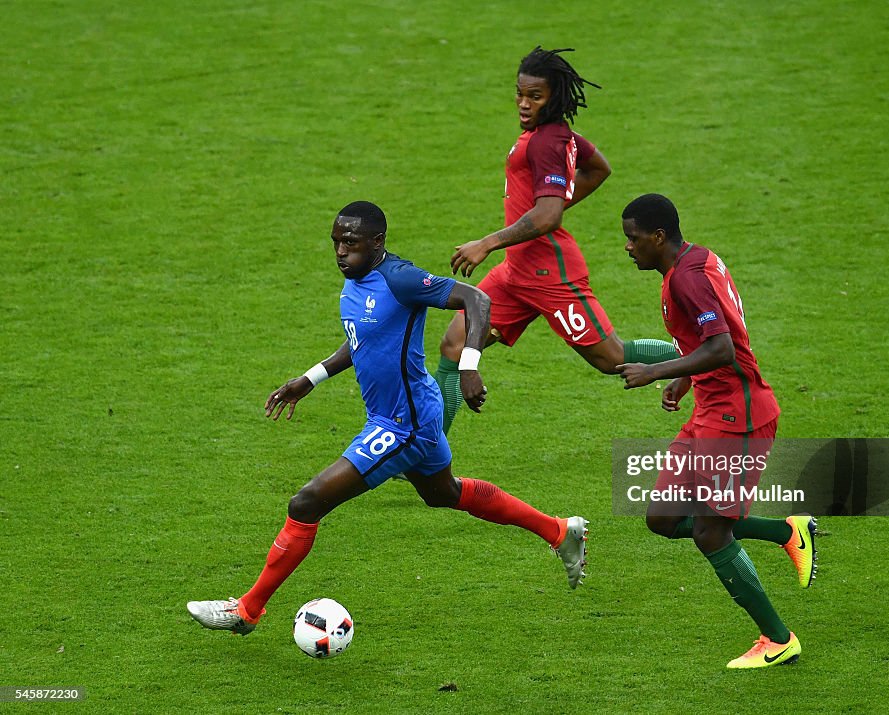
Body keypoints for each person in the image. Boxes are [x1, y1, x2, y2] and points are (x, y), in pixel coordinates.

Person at [187, 201, 589, 636]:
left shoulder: (400, 279)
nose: (341, 252)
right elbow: (363, 339)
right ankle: (559, 530)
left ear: (377, 242)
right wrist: (311, 378)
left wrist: (470, 364)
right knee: (443, 493)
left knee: (306, 503)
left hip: (403, 423)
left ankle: (246, 611)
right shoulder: (356, 281)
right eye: (336, 242)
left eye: (351, 243)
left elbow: (477, 298)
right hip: (413, 410)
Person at [615, 193, 817, 669]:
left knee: (709, 530)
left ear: (658, 237)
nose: (627, 247)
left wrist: (659, 370)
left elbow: (723, 348)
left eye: (633, 238)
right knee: (662, 517)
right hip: (710, 409)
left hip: (739, 418)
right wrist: (686, 380)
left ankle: (778, 638)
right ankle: (787, 530)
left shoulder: (686, 279)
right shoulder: (696, 260)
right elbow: (707, 337)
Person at [434, 46, 677, 433]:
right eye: (520, 93)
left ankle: (693, 357)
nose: (523, 103)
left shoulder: (547, 142)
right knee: (455, 343)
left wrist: (488, 242)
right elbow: (597, 169)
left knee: (611, 359)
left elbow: (548, 215)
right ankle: (429, 452)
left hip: (551, 274)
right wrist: (557, 201)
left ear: (555, 97)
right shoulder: (555, 135)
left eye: (535, 96)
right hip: (516, 272)